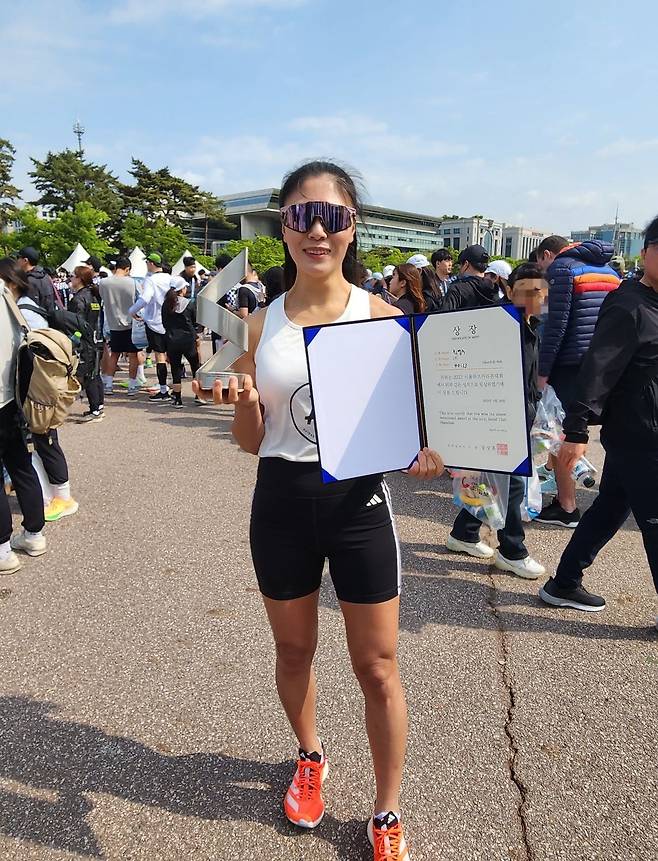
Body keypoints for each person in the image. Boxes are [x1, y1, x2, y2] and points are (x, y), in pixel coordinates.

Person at [193, 159, 443, 860]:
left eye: (332, 216)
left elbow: (414, 433)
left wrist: (426, 453)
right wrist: (240, 406)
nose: (317, 231)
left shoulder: (384, 316)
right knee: (294, 648)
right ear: (284, 227)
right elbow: (251, 442)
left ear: (351, 226)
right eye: (303, 215)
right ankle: (310, 754)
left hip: (359, 505)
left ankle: (387, 810)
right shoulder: (257, 325)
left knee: (378, 664)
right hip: (280, 501)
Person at [539, 216, 658, 628]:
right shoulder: (628, 305)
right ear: (645, 253)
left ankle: (564, 583)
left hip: (646, 430)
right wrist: (576, 430)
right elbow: (597, 368)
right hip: (639, 435)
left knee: (609, 509)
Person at [446, 262, 547, 578]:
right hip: (499, 417)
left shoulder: (530, 323)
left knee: (488, 479)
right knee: (513, 483)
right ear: (511, 289)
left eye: (540, 291)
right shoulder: (500, 322)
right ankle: (513, 550)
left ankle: (463, 533)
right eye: (528, 290)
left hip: (517, 414)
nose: (536, 296)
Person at [534, 235, 620, 528]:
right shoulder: (610, 271)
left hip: (569, 365)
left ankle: (566, 506)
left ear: (547, 255)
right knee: (587, 432)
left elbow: (555, 326)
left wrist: (542, 371)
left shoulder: (561, 268)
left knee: (563, 436)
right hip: (603, 364)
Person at [0, 261, 78, 522]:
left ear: (10, 283)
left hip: (36, 391)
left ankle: (61, 498)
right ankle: (55, 496)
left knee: (45, 442)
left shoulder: (21, 311)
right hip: (38, 389)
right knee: (43, 442)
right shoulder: (25, 306)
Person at [0, 280, 47, 573]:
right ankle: (34, 534)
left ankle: (3, 550)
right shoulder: (4, 291)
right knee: (20, 464)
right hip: (11, 394)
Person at [128, 253, 172, 403]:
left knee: (159, 356)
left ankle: (163, 389)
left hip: (155, 322)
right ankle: (176, 388)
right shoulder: (170, 278)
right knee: (173, 356)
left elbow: (145, 298)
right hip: (172, 321)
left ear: (151, 263)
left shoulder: (151, 280)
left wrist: (132, 311)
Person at [98, 257, 145, 396]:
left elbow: (102, 299)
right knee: (133, 355)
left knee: (114, 354)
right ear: (127, 269)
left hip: (112, 323)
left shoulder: (104, 282)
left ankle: (109, 384)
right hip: (131, 324)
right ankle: (131, 385)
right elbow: (140, 301)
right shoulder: (133, 282)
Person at [68, 266, 104, 422]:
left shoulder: (79, 299)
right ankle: (99, 406)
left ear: (79, 279)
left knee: (88, 375)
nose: (70, 279)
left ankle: (95, 410)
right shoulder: (94, 296)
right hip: (96, 339)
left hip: (85, 342)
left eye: (73, 276)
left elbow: (77, 324)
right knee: (95, 373)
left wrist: (73, 341)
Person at [161, 276, 203, 409]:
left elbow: (164, 323)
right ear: (182, 289)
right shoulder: (189, 304)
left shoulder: (166, 304)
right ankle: (199, 395)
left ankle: (178, 399)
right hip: (188, 339)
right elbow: (195, 321)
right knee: (195, 366)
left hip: (172, 340)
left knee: (175, 368)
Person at [441, 244, 498, 311]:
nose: (459, 268)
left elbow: (443, 318)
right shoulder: (494, 289)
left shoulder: (457, 289)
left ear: (466, 264)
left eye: (460, 264)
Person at [17, 247, 61, 312]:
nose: (16, 260)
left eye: (18, 257)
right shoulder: (45, 276)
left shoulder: (29, 281)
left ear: (25, 261)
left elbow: (29, 308)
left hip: (37, 319)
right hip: (49, 317)